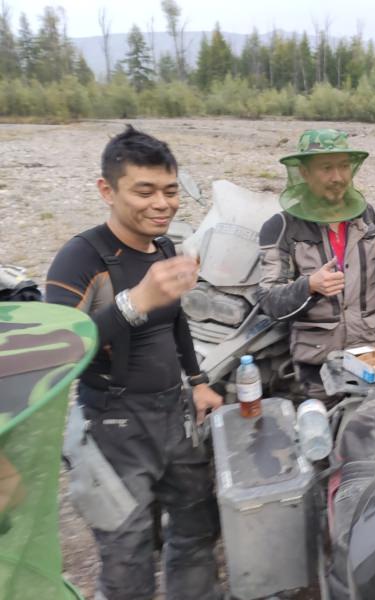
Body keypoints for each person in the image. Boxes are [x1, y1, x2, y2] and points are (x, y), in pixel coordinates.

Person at [46, 125, 223, 600]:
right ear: (107, 190)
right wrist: (134, 302)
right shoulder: (80, 258)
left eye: (170, 190)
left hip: (175, 415)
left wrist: (198, 381)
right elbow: (56, 354)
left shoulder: (164, 248)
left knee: (196, 527)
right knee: (127, 555)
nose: (161, 204)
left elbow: (175, 321)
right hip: (113, 425)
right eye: (144, 192)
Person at [257, 129, 375, 401]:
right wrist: (309, 286)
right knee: (323, 423)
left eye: (344, 166)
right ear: (304, 172)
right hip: (316, 361)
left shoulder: (372, 218)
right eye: (326, 168)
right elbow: (269, 300)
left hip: (371, 351)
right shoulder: (281, 227)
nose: (338, 177)